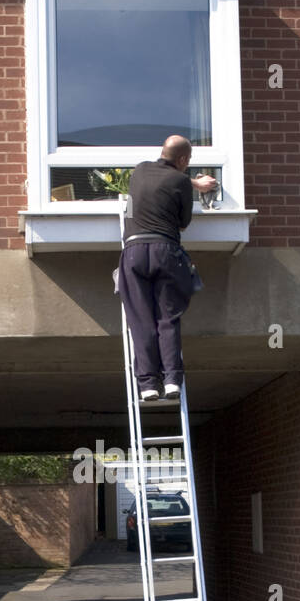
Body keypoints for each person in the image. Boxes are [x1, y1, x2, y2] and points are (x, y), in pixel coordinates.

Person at [116, 135, 218, 401]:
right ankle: (172, 380)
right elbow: (183, 224)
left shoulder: (139, 170)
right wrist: (195, 185)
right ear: (183, 160)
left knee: (141, 321)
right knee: (167, 319)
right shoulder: (182, 181)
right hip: (166, 252)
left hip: (134, 252)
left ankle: (148, 384)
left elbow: (135, 203)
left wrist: (192, 182)